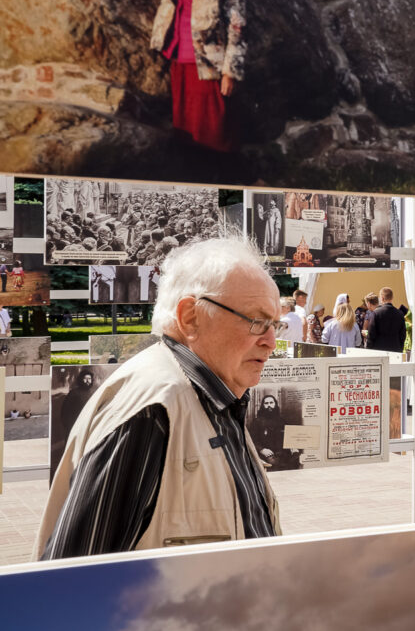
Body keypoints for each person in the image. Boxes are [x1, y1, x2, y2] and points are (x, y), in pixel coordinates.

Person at [36, 237, 284, 559]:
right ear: (190, 317)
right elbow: (72, 578)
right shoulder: (153, 412)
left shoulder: (211, 396)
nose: (271, 342)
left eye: (275, 324)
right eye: (256, 322)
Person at [82, 0, 246, 152]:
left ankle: (231, 179)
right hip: (179, 59)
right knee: (186, 126)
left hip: (210, 64)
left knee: (216, 128)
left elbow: (237, 28)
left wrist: (230, 72)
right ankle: (196, 176)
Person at [251, 394, 288, 471]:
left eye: (271, 403)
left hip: (282, 454)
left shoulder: (282, 421)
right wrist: (262, 450)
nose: (269, 405)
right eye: (266, 403)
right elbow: (252, 440)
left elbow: (287, 437)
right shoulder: (257, 421)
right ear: (263, 405)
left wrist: (292, 446)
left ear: (275, 404)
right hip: (266, 454)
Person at [367, 287, 406, 353]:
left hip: (379, 351)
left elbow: (371, 335)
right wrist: (400, 348)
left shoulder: (376, 313)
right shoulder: (400, 314)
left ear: (382, 298)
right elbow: (403, 335)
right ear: (392, 298)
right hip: (395, 351)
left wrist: (369, 350)